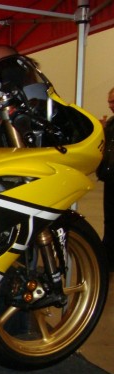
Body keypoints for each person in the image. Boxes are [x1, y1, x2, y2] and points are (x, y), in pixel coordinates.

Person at [100, 86, 114, 270]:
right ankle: (108, 258)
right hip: (110, 178)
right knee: (109, 220)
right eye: (109, 102)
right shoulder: (110, 124)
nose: (111, 105)